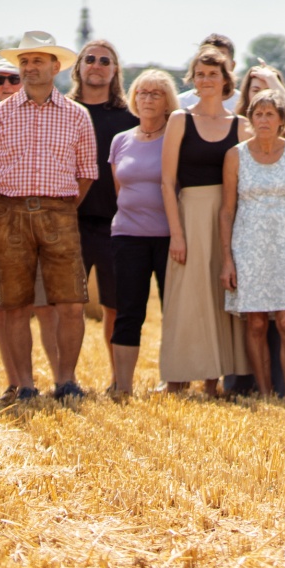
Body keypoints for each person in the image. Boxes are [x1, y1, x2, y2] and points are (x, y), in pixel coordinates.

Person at [0, 32, 98, 401]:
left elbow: (87, 172)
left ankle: (66, 381)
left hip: (60, 211)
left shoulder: (77, 115)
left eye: (37, 61)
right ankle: (26, 385)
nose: (29, 68)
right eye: (24, 62)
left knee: (72, 303)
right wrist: (3, 208)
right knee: (13, 305)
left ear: (55, 67)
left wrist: (62, 207)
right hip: (9, 211)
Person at [160, 44, 252, 394]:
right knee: (186, 297)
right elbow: (167, 182)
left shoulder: (241, 126)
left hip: (228, 216)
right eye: (200, 74)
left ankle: (213, 380)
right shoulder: (180, 119)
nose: (206, 79)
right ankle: (177, 378)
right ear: (193, 80)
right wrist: (177, 233)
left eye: (213, 73)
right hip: (190, 214)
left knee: (219, 295)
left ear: (226, 79)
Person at [220, 90, 285, 398]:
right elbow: (227, 210)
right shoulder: (235, 155)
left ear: (281, 121)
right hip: (248, 245)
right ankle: (263, 392)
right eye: (258, 114)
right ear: (250, 119)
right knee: (257, 323)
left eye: (269, 114)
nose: (263, 120)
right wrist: (227, 259)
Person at [70, 39, 138, 381]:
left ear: (115, 71)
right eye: (90, 59)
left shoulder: (130, 120)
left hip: (116, 226)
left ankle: (117, 380)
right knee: (67, 307)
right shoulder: (62, 112)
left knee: (115, 307)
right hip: (69, 223)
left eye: (105, 61)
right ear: (78, 67)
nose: (96, 65)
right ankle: (65, 378)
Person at [108, 69, 179, 396]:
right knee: (128, 312)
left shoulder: (176, 138)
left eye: (156, 93)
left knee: (173, 311)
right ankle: (123, 386)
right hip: (127, 237)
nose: (147, 98)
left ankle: (175, 380)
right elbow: (119, 189)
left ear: (168, 102)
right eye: (142, 92)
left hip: (169, 238)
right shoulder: (120, 140)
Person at [178, 35, 240, 112]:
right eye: (207, 58)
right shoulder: (181, 103)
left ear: (232, 65)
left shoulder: (245, 103)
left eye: (220, 57)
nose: (213, 62)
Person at [235, 65, 285, 139]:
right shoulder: (236, 124)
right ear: (247, 93)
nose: (261, 96)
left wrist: (270, 77)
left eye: (268, 90)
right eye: (256, 91)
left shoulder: (281, 125)